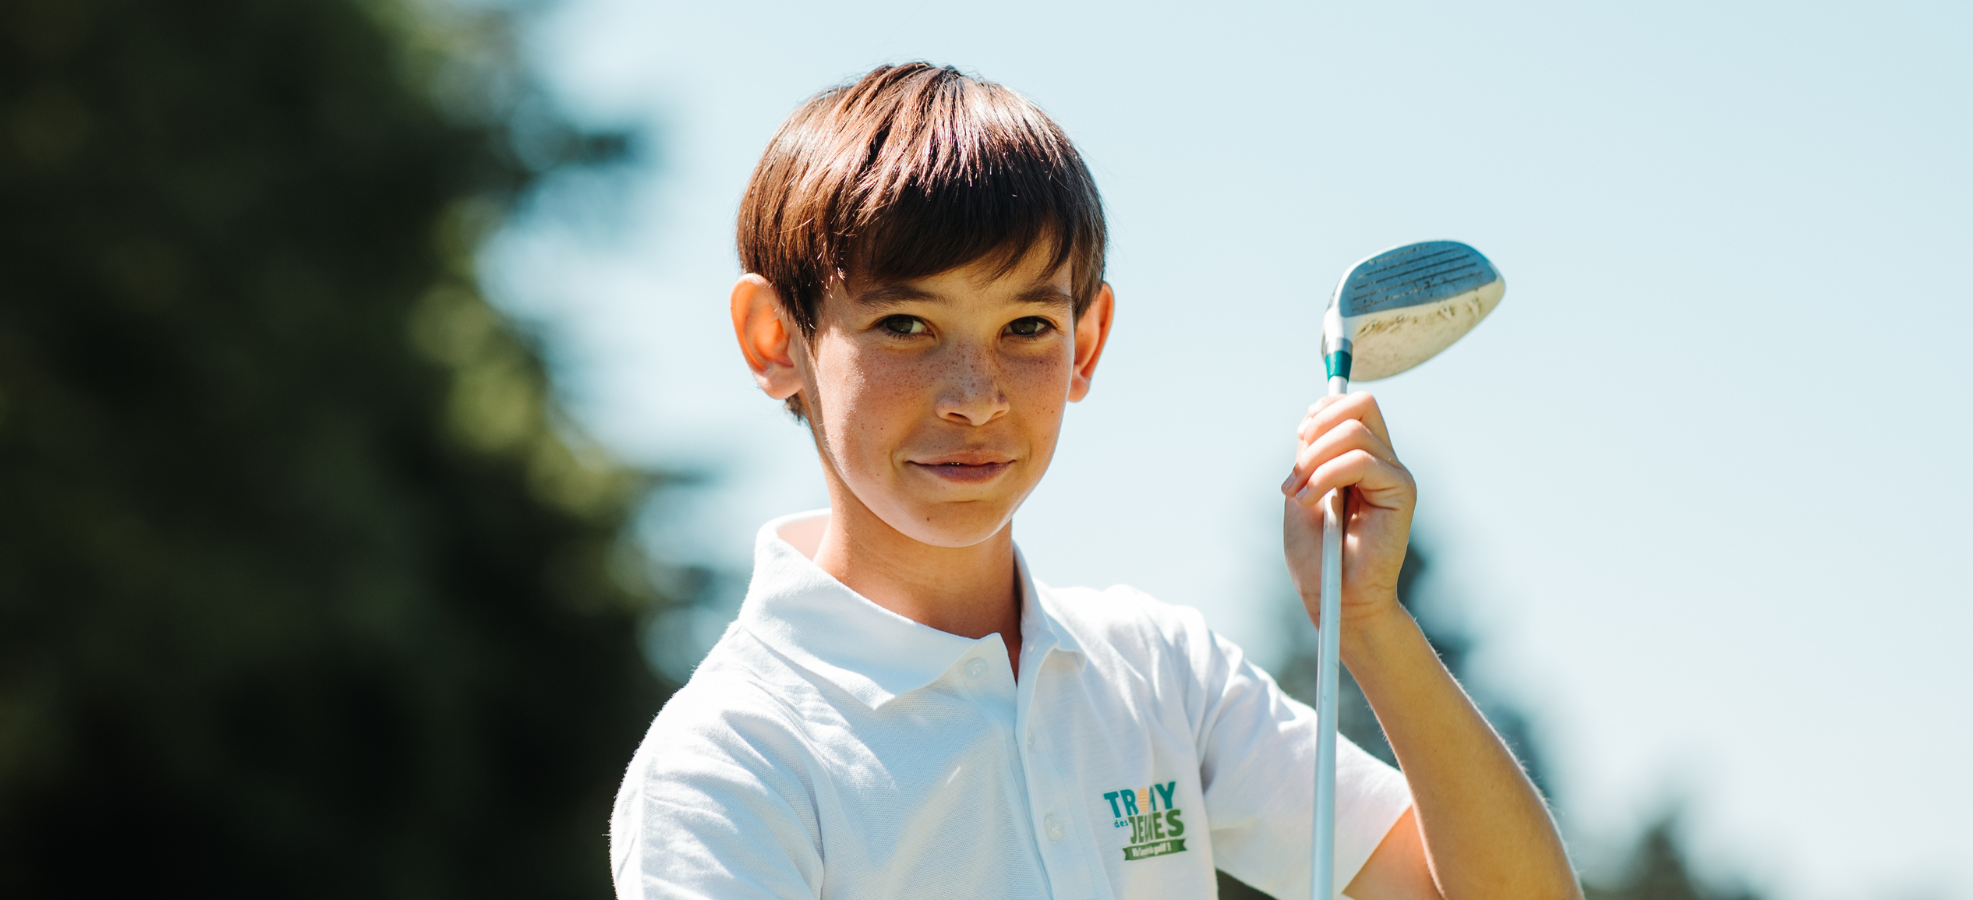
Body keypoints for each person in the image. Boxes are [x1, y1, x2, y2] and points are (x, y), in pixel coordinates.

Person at [610, 62, 1581, 900]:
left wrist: (1369, 626)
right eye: (905, 325)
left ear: (1088, 342)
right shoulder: (728, 761)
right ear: (774, 339)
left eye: (1026, 327)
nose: (974, 397)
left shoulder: (1157, 674)